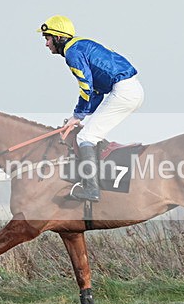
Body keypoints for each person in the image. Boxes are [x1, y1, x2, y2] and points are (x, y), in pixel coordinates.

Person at [39, 15, 144, 202]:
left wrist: (78, 114)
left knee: (85, 137)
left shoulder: (72, 53)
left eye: (48, 38)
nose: (46, 44)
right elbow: (96, 91)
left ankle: (91, 189)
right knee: (89, 133)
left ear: (58, 38)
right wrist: (78, 118)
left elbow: (85, 87)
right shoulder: (80, 45)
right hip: (129, 89)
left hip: (123, 91)